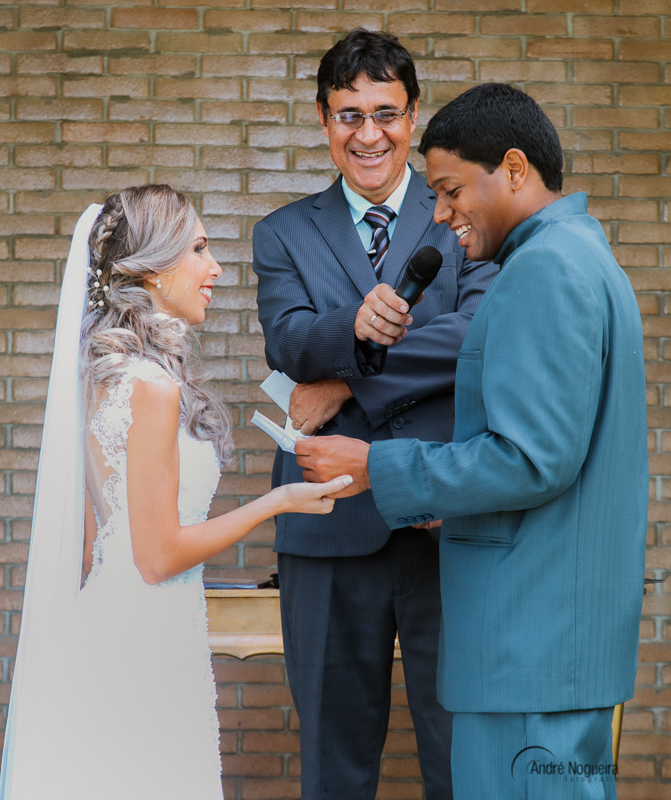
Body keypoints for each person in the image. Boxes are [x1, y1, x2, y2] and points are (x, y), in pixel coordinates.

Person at [294, 83, 648, 800]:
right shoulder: (583, 257)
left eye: (451, 189)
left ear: (513, 169)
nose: (443, 211)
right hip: (555, 643)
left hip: (528, 644)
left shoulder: (542, 271)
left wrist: (375, 467)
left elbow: (530, 458)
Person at [0, 185, 351, 800]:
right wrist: (278, 501)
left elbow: (92, 544)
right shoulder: (151, 387)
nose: (215, 268)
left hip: (109, 622)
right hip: (146, 636)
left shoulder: (106, 377)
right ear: (155, 271)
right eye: (198, 249)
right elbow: (157, 556)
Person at [252, 30, 497, 800]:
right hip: (326, 521)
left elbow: (482, 337)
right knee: (334, 761)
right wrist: (352, 332)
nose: (369, 135)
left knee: (461, 754)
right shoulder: (281, 233)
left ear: (413, 115)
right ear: (323, 121)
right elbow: (292, 343)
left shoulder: (466, 214)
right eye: (348, 115)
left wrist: (350, 385)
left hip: (445, 517)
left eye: (385, 113)